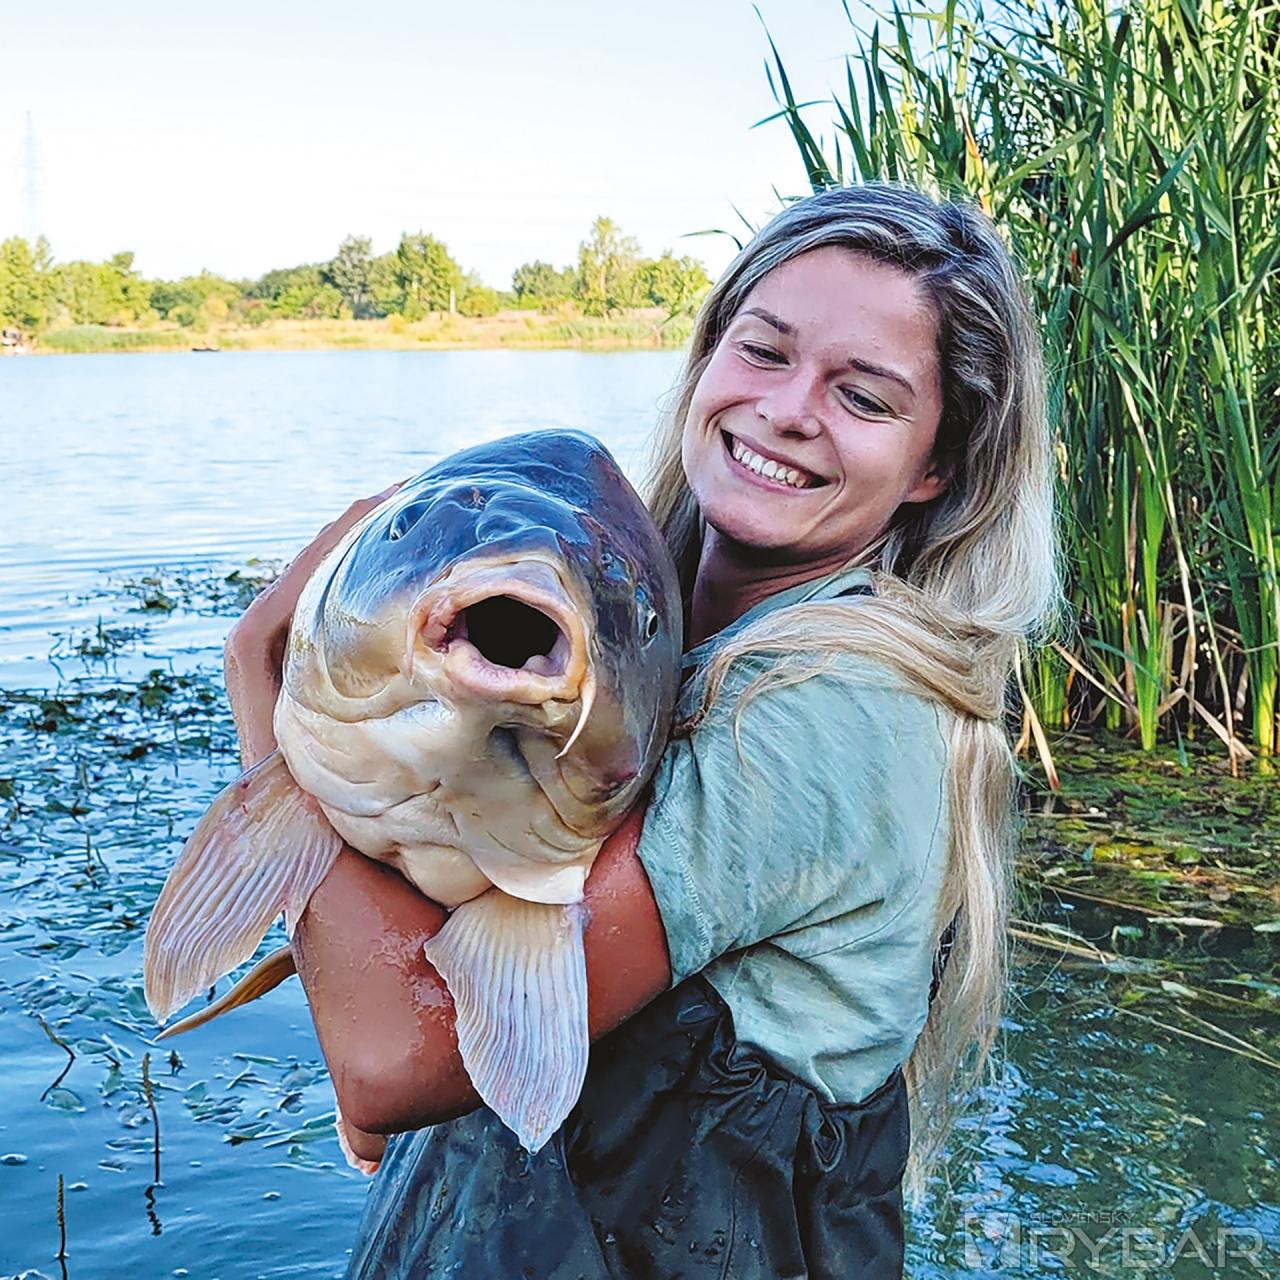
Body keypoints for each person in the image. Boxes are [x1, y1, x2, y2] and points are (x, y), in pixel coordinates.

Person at [223, 182, 1058, 1279]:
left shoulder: (835, 708)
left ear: (937, 465)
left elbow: (390, 1067)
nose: (788, 408)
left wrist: (264, 674)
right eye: (762, 350)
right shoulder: (653, 632)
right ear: (707, 360)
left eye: (862, 395)